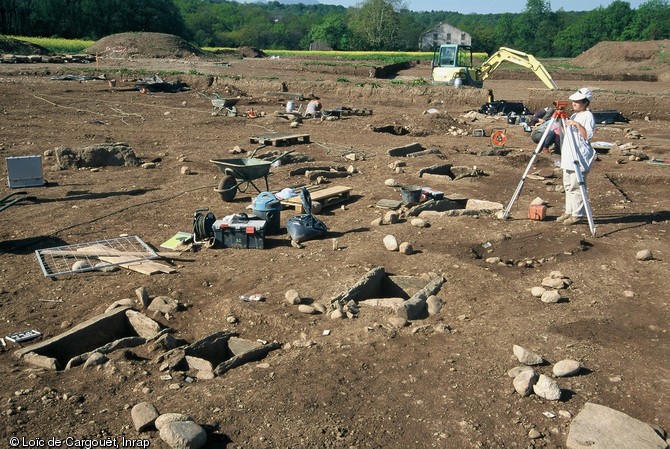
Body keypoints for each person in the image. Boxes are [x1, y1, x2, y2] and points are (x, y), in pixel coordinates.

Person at [556, 87, 596, 225]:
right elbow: (567, 133)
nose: (574, 103)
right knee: (567, 185)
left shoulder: (587, 116)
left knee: (576, 186)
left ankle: (577, 214)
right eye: (573, 101)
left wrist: (577, 124)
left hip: (579, 157)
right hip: (568, 156)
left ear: (585, 102)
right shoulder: (573, 115)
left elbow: (587, 136)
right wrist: (559, 122)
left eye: (577, 101)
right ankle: (568, 211)